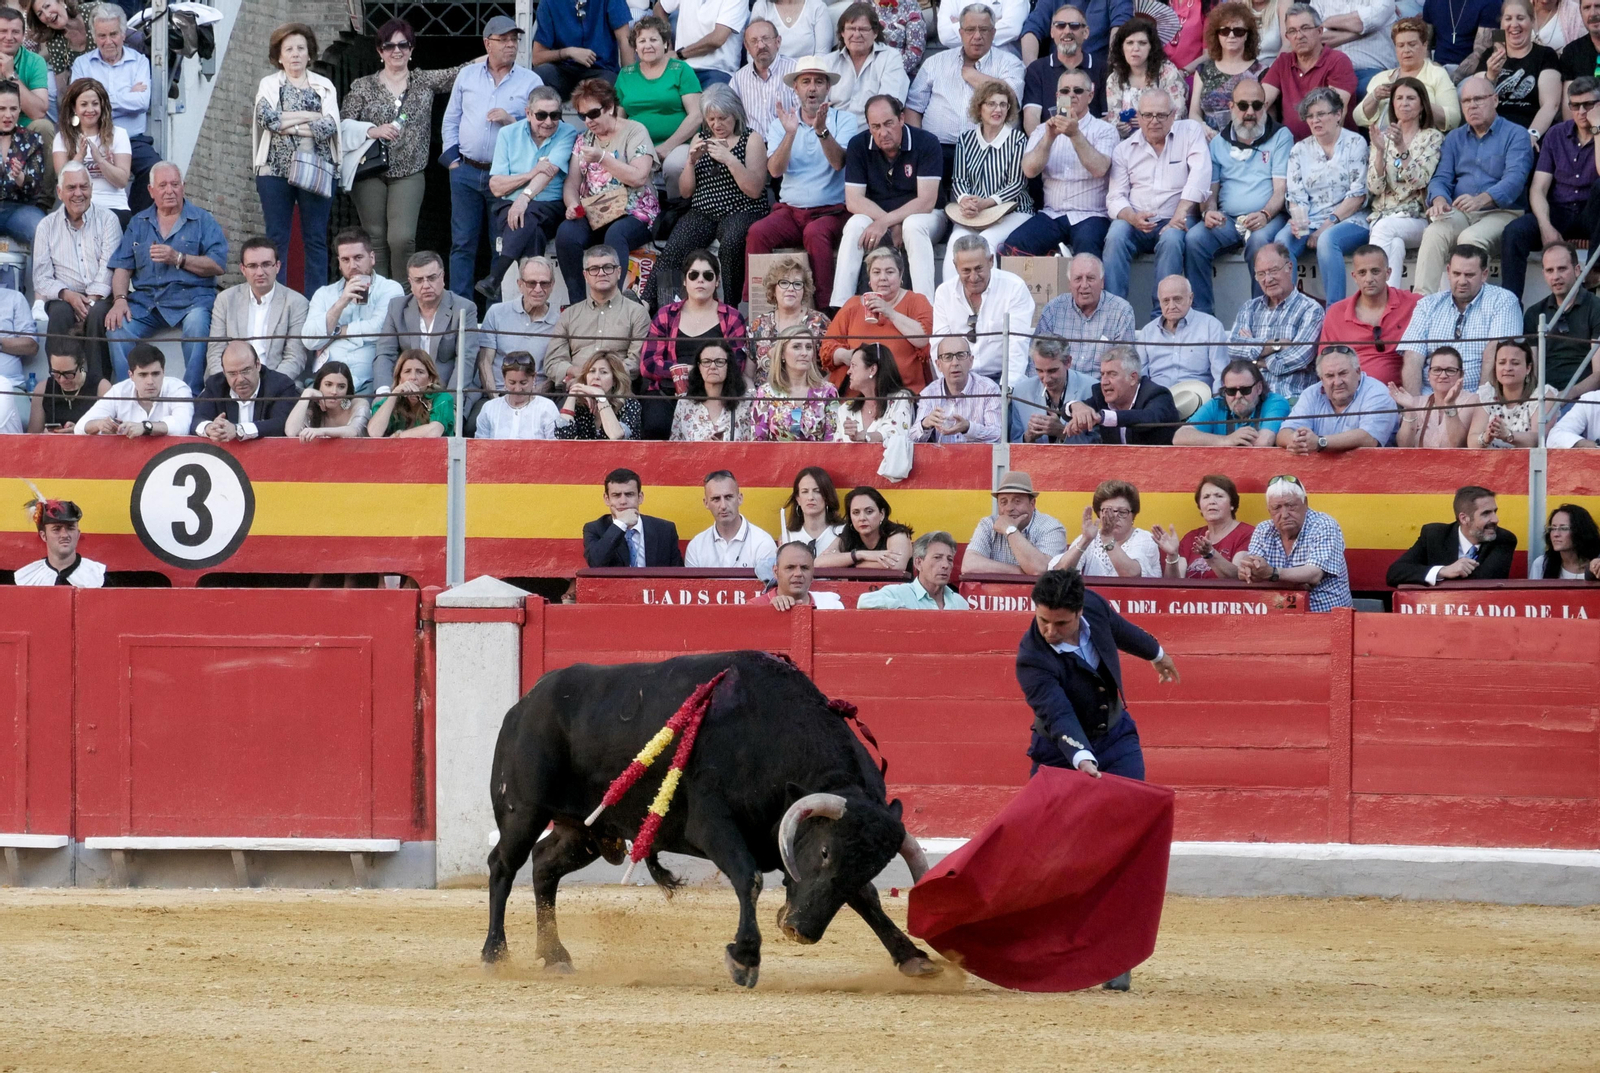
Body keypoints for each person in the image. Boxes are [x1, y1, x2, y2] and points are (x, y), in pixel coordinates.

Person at [1014, 569, 1181, 823]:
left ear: (1079, 612)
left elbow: (1119, 629)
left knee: (1132, 816)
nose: (1050, 631)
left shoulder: (1092, 604)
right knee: (1043, 829)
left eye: (1061, 623)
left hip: (1115, 737)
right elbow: (1058, 713)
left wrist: (1156, 654)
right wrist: (1081, 757)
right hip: (1059, 752)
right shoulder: (1032, 659)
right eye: (1043, 620)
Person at [341, 18, 474, 278]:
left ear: (412, 49)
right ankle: (378, 296)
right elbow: (343, 123)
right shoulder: (363, 86)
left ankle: (402, 298)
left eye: (403, 44)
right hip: (369, 170)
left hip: (410, 169)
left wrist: (495, 49)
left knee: (402, 238)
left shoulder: (423, 81)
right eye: (389, 46)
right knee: (374, 238)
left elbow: (460, 71)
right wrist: (372, 130)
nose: (396, 51)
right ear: (380, 51)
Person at [440, 15, 543, 298]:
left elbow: (542, 130)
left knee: (500, 244)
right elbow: (451, 120)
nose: (511, 45)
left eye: (515, 40)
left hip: (507, 177)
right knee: (462, 243)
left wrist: (512, 120)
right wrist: (452, 161)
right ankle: (460, 310)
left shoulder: (530, 81)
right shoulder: (467, 76)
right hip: (466, 171)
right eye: (504, 40)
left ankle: (496, 313)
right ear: (488, 43)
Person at [745, 58, 860, 306]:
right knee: (757, 232)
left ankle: (827, 310)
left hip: (831, 211)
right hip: (791, 211)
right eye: (805, 82)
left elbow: (839, 162)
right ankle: (756, 308)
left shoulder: (845, 120)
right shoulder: (781, 124)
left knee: (815, 233)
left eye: (819, 82)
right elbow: (774, 171)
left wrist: (822, 131)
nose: (812, 88)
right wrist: (790, 134)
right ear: (795, 88)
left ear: (828, 88)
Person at [104, 162, 226, 391]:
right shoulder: (138, 222)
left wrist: (179, 258)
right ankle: (127, 394)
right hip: (147, 303)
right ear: (151, 191)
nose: (169, 190)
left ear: (183, 187)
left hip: (191, 300)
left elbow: (218, 264)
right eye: (162, 185)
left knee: (198, 324)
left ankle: (192, 395)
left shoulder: (202, 220)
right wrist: (119, 299)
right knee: (117, 327)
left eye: (175, 184)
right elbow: (122, 266)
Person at [647, 84, 768, 313]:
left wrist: (730, 160)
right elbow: (685, 192)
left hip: (742, 208)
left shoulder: (751, 139)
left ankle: (730, 311)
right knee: (675, 247)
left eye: (722, 118)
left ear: (736, 114)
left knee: (732, 244)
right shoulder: (700, 137)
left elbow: (754, 189)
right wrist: (691, 162)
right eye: (711, 119)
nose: (716, 125)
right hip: (703, 210)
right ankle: (654, 306)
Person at [1413, 76, 1534, 295]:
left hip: (1502, 211)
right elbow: (1441, 178)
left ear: (1495, 100)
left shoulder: (1516, 134)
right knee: (1434, 233)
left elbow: (1515, 179)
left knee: (1470, 240)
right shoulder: (1454, 138)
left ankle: (1468, 307)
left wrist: (1482, 198)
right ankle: (1421, 304)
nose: (1472, 105)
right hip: (1461, 211)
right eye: (1466, 101)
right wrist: (1439, 199)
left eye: (1478, 99)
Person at [1184, 76, 1293, 314]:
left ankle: (1264, 315)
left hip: (1269, 217)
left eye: (1257, 105)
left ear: (1265, 107)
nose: (1250, 112)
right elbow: (1211, 192)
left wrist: (1265, 214)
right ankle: (1203, 316)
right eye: (1243, 105)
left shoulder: (1280, 136)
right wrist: (1209, 211)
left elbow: (1281, 190)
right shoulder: (1218, 143)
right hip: (1230, 220)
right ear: (1231, 107)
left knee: (1260, 244)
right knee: (1194, 239)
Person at [1102, 89, 1210, 314]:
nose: (1154, 121)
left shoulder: (1189, 131)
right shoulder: (1124, 149)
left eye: (1161, 115)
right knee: (1115, 235)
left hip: (1176, 217)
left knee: (1171, 240)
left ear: (1173, 115)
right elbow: (1115, 197)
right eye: (1148, 115)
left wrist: (1179, 214)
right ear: (1138, 117)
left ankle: (1160, 316)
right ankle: (1113, 313)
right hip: (1137, 220)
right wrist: (1132, 217)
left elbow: (1200, 174)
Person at [555, 78, 661, 307]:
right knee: (566, 234)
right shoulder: (584, 139)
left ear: (610, 107)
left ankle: (615, 306)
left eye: (593, 113)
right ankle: (578, 307)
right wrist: (573, 204)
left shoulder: (634, 130)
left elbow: (639, 176)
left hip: (634, 211)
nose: (588, 121)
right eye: (582, 116)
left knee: (616, 235)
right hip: (596, 212)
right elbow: (572, 183)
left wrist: (603, 159)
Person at [252, 22, 340, 298]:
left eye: (301, 48)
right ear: (279, 56)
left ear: (309, 53)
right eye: (288, 49)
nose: (295, 54)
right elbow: (266, 119)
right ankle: (277, 299)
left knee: (315, 238)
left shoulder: (324, 85)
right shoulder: (269, 84)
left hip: (317, 168)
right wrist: (309, 118)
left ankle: (316, 302)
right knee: (277, 238)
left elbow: (330, 126)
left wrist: (288, 121)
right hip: (274, 170)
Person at [904, 3, 1026, 195]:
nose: (977, 36)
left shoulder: (1010, 63)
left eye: (984, 29)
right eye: (970, 29)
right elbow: (913, 108)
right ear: (960, 32)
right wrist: (919, 147)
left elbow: (1011, 97)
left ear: (993, 33)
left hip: (988, 153)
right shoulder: (935, 62)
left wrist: (972, 76)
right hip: (938, 150)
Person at [835, 93, 944, 304]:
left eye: (888, 124)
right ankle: (842, 307)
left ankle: (925, 308)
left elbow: (926, 201)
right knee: (855, 223)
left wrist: (887, 222)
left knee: (912, 226)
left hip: (927, 217)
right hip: (882, 218)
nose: (883, 132)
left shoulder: (926, 143)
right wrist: (890, 223)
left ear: (901, 119)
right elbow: (854, 201)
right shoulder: (859, 145)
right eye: (875, 126)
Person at [1001, 66, 1117, 260]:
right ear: (1057, 96)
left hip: (1091, 215)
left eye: (1078, 91)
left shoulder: (1104, 130)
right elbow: (1029, 170)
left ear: (1090, 96)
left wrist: (1075, 135)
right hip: (1051, 214)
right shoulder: (1041, 130)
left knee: (1087, 253)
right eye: (1065, 91)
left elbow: (1099, 169)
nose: (1071, 95)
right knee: (1014, 246)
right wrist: (1048, 138)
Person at [1500, 79, 1600, 300]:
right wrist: (1546, 226)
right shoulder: (1556, 134)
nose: (1581, 111)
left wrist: (1598, 129)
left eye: (1589, 105)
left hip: (1593, 213)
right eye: (1575, 106)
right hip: (1559, 211)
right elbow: (1538, 188)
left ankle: (1594, 271)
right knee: (1514, 232)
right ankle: (1509, 310)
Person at [1275, 88, 1369, 305]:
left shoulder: (1355, 143)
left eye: (1321, 114)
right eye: (1310, 116)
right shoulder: (1299, 150)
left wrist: (1325, 227)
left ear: (1338, 114)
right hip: (1311, 219)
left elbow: (1357, 196)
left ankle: (1334, 313)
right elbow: (1296, 195)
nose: (1315, 120)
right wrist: (1299, 221)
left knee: (1327, 240)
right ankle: (1287, 309)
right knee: (1282, 243)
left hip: (1349, 218)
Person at [641, 248, 748, 438]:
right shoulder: (666, 314)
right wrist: (683, 371)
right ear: (684, 280)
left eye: (708, 275)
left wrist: (701, 372)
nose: (701, 280)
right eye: (694, 275)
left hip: (716, 394)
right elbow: (648, 364)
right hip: (669, 393)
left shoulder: (732, 317)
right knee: (656, 426)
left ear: (717, 282)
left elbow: (737, 364)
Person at [484, 86, 578, 298]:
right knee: (531, 228)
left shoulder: (567, 132)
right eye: (541, 115)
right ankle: (536, 296)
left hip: (549, 205)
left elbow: (550, 171)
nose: (548, 121)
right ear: (528, 113)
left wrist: (524, 198)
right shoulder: (508, 134)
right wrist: (530, 173)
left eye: (555, 115)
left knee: (528, 214)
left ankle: (497, 276)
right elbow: (496, 186)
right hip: (510, 205)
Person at [33, 161, 119, 381]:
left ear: (91, 190)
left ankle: (99, 387)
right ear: (60, 192)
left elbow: (109, 268)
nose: (78, 193)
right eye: (71, 188)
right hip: (64, 296)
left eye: (84, 187)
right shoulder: (46, 226)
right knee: (60, 314)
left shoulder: (108, 219)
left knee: (99, 315)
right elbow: (41, 278)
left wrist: (88, 302)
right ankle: (59, 386)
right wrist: (68, 295)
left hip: (100, 296)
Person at [1398, 245, 1521, 393]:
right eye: (1456, 274)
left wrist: (1480, 405)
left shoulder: (1503, 300)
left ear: (1484, 274)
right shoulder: (1427, 305)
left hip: (1476, 398)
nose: (1462, 281)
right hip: (1429, 398)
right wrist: (1415, 406)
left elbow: (1496, 353)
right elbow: (1412, 357)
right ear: (1448, 272)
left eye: (1469, 275)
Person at [69, 4, 156, 213]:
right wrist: (126, 97)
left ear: (123, 34)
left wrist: (99, 98)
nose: (108, 41)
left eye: (113, 34)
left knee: (154, 169)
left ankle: (134, 219)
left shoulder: (140, 62)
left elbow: (142, 102)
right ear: (94, 36)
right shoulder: (82, 64)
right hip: (91, 137)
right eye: (102, 35)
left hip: (132, 138)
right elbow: (79, 104)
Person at [945, 80, 1034, 272]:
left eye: (1003, 104)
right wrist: (965, 201)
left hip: (1013, 211)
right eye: (991, 104)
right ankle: (950, 301)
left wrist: (985, 203)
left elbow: (1016, 183)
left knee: (985, 243)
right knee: (956, 245)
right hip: (972, 211)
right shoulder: (965, 139)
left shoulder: (1017, 139)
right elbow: (959, 179)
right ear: (980, 108)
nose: (998, 109)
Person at [1362, 79, 1444, 289]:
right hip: (1384, 216)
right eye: (1399, 98)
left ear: (1422, 105)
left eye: (1411, 98)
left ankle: (1372, 294)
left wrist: (1401, 147)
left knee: (1385, 228)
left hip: (1415, 218)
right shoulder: (1383, 138)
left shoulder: (1432, 137)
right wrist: (1380, 151)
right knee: (1395, 245)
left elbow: (1420, 181)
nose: (1404, 103)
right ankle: (1391, 302)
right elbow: (1374, 188)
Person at [303, 228, 405, 393]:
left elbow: (380, 328)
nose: (353, 265)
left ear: (372, 258)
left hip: (367, 381)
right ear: (339, 262)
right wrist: (342, 301)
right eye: (345, 260)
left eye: (358, 258)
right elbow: (309, 340)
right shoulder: (324, 294)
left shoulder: (390, 289)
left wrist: (336, 332)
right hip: (326, 382)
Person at [821, 246, 934, 393]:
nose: (883, 278)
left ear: (901, 276)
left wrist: (890, 313)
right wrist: (847, 356)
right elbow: (827, 351)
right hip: (856, 397)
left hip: (903, 394)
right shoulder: (853, 305)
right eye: (876, 272)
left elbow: (925, 339)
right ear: (869, 279)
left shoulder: (916, 301)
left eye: (890, 272)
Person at [374, 251, 481, 404]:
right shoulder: (396, 307)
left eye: (431, 278)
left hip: (445, 391)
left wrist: (448, 402)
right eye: (419, 280)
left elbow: (466, 360)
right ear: (410, 283)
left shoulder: (464, 308)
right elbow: (385, 353)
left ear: (442, 277)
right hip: (406, 392)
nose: (426, 285)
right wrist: (384, 393)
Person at [1233, 474, 1352, 611]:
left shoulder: (1324, 524)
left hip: (1326, 617)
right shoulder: (1263, 529)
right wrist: (1248, 571)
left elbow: (1314, 574)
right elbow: (1255, 567)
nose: (1284, 514)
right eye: (1277, 508)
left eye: (1290, 506)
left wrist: (1272, 574)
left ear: (1305, 503)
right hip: (1279, 614)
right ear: (1269, 510)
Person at [615, 15, 703, 197]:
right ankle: (644, 217)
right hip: (636, 146)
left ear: (665, 44)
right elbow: (617, 119)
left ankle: (676, 214)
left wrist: (666, 147)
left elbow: (696, 115)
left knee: (674, 166)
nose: (648, 45)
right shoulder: (626, 74)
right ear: (636, 47)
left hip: (678, 144)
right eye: (642, 41)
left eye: (654, 39)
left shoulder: (680, 69)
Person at [205, 235, 309, 384]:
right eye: (253, 266)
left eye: (266, 264)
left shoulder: (297, 303)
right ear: (243, 269)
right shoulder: (226, 300)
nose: (260, 272)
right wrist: (230, 383)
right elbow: (215, 352)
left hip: (276, 384)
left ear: (277, 266)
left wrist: (268, 387)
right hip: (231, 383)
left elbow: (295, 357)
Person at [932, 235, 1034, 385]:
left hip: (1001, 377)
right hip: (961, 380)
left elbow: (1017, 346)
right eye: (966, 271)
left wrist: (1007, 391)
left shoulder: (1014, 287)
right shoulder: (944, 292)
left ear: (991, 261)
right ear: (955, 266)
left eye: (979, 269)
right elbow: (939, 345)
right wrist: (949, 387)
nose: (973, 277)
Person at [1226, 242, 1325, 398]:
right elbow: (1232, 349)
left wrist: (1254, 359)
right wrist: (1275, 345)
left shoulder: (1311, 310)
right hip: (1249, 398)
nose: (1268, 279)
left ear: (1289, 268)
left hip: (1289, 397)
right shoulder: (1249, 308)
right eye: (1261, 274)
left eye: (1273, 270)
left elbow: (1298, 358)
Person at [543, 246, 650, 388]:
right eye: (594, 269)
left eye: (608, 267)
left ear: (618, 272)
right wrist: (580, 376)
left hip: (618, 393)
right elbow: (553, 362)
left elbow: (636, 363)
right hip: (574, 389)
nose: (601, 273)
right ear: (585, 275)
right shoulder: (569, 315)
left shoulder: (637, 313)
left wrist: (600, 380)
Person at [1317, 245, 1419, 388]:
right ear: (1354, 277)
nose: (1369, 279)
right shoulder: (1336, 313)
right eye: (1362, 273)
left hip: (1400, 395)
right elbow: (1325, 363)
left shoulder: (1414, 304)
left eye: (1375, 271)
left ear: (1388, 273)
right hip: (1351, 397)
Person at [1275, 344, 1400, 451]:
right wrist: (1296, 440)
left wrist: (1320, 442)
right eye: (1330, 376)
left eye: (1343, 373)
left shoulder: (1377, 392)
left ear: (1358, 372)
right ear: (1321, 379)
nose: (1337, 382)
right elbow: (1284, 433)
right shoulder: (1311, 393)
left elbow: (1369, 438)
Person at [1386, 485, 1519, 584]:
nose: (1495, 519)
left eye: (1495, 511)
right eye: (1486, 513)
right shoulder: (1434, 535)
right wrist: (1443, 571)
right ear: (1464, 518)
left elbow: (1483, 582)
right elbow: (1395, 573)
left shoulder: (1504, 539)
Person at [1262, 5, 1356, 143]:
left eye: (1305, 28)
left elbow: (1336, 114)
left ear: (1319, 31)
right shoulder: (1283, 62)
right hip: (1289, 147)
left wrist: (1309, 150)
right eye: (1292, 31)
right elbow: (1260, 101)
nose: (1299, 36)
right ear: (1287, 36)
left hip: (1331, 147)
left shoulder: (1338, 61)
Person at [1033, 251, 1134, 375]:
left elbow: (1124, 366)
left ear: (1102, 282)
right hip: (1059, 389)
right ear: (1070, 284)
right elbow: (1036, 360)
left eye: (1090, 278)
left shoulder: (1121, 311)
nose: (1084, 285)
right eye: (1078, 279)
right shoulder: (1053, 309)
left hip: (1101, 390)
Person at [1353, 17, 1460, 132]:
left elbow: (1453, 119)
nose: (1406, 50)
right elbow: (1358, 118)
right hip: (1385, 144)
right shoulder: (1381, 78)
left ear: (1425, 45)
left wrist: (1421, 102)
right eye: (1401, 45)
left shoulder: (1436, 74)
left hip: (1424, 144)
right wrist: (1374, 97)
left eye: (1412, 44)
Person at [1064, 345, 1180, 445]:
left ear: (1132, 378)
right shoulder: (1100, 395)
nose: (1104, 382)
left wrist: (1103, 417)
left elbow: (1147, 418)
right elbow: (1064, 411)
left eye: (1112, 374)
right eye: (1102, 374)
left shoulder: (1157, 394)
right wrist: (1076, 406)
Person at [1525, 242, 1600, 395]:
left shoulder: (1596, 307)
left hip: (1584, 400)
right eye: (1550, 270)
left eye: (1562, 269)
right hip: (1542, 399)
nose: (1556, 276)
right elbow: (1532, 372)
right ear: (1544, 274)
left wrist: (1564, 396)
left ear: (1577, 270)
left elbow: (1598, 374)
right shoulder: (1534, 313)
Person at [52, 77, 131, 221]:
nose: (90, 109)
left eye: (95, 104)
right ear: (74, 108)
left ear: (102, 106)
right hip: (76, 207)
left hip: (113, 207)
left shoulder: (119, 134)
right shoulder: (62, 138)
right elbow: (62, 181)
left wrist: (100, 161)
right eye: (84, 104)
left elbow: (122, 181)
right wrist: (79, 159)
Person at [478, 256, 561, 394]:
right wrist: (495, 398)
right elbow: (484, 363)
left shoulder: (560, 322)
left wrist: (531, 399)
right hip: (498, 395)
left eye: (544, 283)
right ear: (520, 284)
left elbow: (555, 374)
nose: (538, 289)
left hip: (539, 399)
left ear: (552, 285)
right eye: (531, 283)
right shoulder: (497, 313)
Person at [1049, 478, 1162, 577]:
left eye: (1122, 512)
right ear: (1099, 513)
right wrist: (1085, 540)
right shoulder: (1091, 537)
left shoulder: (1145, 539)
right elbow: (1059, 573)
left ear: (1133, 515)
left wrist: (1108, 539)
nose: (1114, 517)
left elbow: (1131, 574)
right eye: (1108, 511)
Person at [75, 341, 192, 436]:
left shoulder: (178, 389)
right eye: (143, 375)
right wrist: (99, 424)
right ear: (131, 375)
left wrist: (145, 426)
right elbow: (79, 427)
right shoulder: (119, 391)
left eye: (155, 374)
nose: (150, 381)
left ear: (163, 372)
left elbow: (182, 427)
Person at [962, 469, 1067, 574]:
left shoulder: (1051, 527)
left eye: (1017, 501)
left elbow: (1041, 569)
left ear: (1032, 504)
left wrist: (1009, 530)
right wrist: (1024, 572)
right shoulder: (988, 524)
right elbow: (968, 566)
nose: (1009, 508)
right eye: (1003, 502)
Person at [1133, 275, 1230, 389]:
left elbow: (1221, 376)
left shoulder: (1211, 327)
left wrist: (1215, 403)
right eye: (1166, 301)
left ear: (1191, 298)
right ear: (1159, 302)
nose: (1172, 306)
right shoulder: (1148, 332)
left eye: (1177, 299)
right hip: (1158, 400)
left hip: (1199, 400)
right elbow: (1140, 377)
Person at [192, 339, 299, 442]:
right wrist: (210, 428)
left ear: (258, 365)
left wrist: (238, 430)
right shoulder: (215, 385)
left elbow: (280, 424)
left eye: (246, 371)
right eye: (232, 373)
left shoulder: (281, 384)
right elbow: (196, 420)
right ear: (224, 372)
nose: (240, 379)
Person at [749, 254, 831, 386]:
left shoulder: (819, 322)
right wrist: (756, 399)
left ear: (804, 290)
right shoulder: (759, 325)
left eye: (797, 284)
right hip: (765, 402)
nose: (791, 288)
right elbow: (747, 374)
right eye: (784, 282)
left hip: (808, 402)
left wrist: (817, 396)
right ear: (773, 289)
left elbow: (833, 370)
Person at [1021, 5, 1106, 130]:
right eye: (1060, 25)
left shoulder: (1102, 69)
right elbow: (1031, 119)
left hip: (1090, 144)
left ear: (1086, 32)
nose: (1067, 31)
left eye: (1074, 25)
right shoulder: (1037, 70)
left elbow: (1108, 118)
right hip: (1050, 143)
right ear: (1052, 32)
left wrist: (1078, 141)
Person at [819, 5, 908, 121]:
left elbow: (889, 107)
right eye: (851, 29)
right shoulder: (828, 62)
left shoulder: (890, 58)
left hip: (872, 133)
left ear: (875, 33)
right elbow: (819, 108)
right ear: (842, 32)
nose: (856, 35)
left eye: (863, 29)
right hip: (833, 132)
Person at [529, 0, 635, 98]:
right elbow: (537, 57)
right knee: (540, 75)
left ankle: (594, 115)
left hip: (601, 70)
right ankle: (550, 116)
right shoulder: (549, 2)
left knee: (608, 85)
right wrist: (568, 52)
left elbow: (624, 40)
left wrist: (629, 79)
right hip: (563, 71)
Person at [1174, 357, 1291, 444]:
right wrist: (1226, 440)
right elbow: (1180, 437)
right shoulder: (1216, 404)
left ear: (1259, 388)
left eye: (1245, 390)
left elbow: (1263, 443)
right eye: (1231, 391)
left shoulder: (1275, 403)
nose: (1238, 395)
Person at [583, 467, 685, 568]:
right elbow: (595, 563)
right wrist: (621, 523)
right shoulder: (595, 528)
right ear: (607, 499)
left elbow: (677, 575)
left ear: (640, 498)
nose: (623, 501)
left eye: (629, 494)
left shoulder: (665, 530)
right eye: (616, 495)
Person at [751, 324, 839, 440]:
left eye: (808, 347)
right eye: (796, 347)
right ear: (782, 354)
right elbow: (758, 443)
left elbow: (834, 439)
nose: (804, 353)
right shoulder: (766, 393)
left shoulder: (828, 392)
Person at [1103, 15, 1186, 138]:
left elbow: (1178, 114)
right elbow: (1114, 119)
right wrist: (1121, 127)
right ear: (1122, 48)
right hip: (1128, 145)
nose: (1135, 49)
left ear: (1150, 47)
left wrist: (1146, 122)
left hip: (1166, 141)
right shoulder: (1114, 79)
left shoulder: (1167, 72)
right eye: (1130, 43)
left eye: (1142, 43)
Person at [1468, 336, 1560, 446]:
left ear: (1528, 368)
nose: (1507, 368)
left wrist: (1508, 435)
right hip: (1491, 462)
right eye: (1502, 362)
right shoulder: (1487, 394)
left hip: (1529, 462)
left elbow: (1539, 439)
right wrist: (1485, 437)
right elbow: (1472, 441)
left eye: (1515, 363)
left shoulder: (1543, 395)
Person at [1190, 2, 1267, 132]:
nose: (1231, 36)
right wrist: (1203, 128)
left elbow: (1266, 117)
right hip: (1208, 142)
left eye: (1238, 31)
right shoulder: (1203, 70)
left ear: (1247, 35)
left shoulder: (1261, 71)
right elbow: (1194, 113)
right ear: (1217, 35)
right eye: (1225, 31)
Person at [915, 332, 1002, 442]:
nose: (955, 363)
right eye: (948, 357)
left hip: (977, 457)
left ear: (971, 361)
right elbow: (911, 439)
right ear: (938, 365)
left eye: (961, 355)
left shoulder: (989, 389)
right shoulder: (929, 393)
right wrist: (925, 424)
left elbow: (998, 435)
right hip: (941, 457)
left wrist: (968, 428)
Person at [684, 470, 780, 568]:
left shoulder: (762, 542)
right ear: (706, 503)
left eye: (728, 497)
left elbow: (768, 582)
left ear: (740, 499)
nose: (723, 506)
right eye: (716, 499)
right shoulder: (696, 546)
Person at [1165, 474, 1253, 578]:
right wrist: (1172, 556)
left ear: (1232, 504)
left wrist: (1210, 554)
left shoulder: (1248, 534)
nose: (1212, 501)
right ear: (1200, 507)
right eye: (1206, 497)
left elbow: (1239, 577)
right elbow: (1174, 585)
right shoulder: (1191, 538)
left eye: (1219, 496)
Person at [1009, 336, 1094, 442]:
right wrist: (1028, 437)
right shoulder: (1021, 392)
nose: (1046, 379)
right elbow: (1013, 444)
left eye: (1052, 371)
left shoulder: (1091, 389)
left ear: (1068, 362)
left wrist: (1061, 432)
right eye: (1039, 371)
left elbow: (1101, 446)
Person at [857, 531, 972, 607]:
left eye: (950, 559)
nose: (945, 565)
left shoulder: (959, 602)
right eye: (937, 558)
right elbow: (864, 601)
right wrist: (901, 608)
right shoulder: (901, 593)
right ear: (918, 562)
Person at [834, 341, 917, 445]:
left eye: (853, 365)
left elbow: (897, 432)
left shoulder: (900, 399)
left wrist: (866, 437)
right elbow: (837, 448)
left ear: (872, 369)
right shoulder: (845, 409)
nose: (848, 371)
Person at [1388, 344, 1471, 447]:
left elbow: (1458, 444)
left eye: (1450, 370)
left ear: (1461, 374)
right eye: (1437, 370)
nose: (1443, 375)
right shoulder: (1417, 402)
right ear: (1428, 375)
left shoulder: (1473, 402)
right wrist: (1410, 410)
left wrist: (1450, 405)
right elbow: (1404, 446)